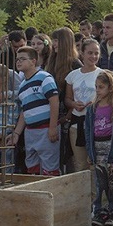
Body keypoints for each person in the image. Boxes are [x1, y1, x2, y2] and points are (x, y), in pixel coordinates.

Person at [6, 47, 60, 176]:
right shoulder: (22, 85)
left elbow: (54, 101)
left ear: (33, 61)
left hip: (46, 129)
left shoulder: (44, 77)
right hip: (30, 131)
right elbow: (25, 111)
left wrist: (52, 127)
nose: (18, 62)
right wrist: (16, 133)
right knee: (32, 167)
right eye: (17, 59)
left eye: (22, 59)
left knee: (49, 169)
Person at [85, 70, 113, 226]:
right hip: (97, 148)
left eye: (101, 87)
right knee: (100, 182)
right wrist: (90, 151)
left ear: (110, 88)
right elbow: (88, 131)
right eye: (96, 87)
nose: (98, 90)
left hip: (112, 148)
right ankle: (100, 211)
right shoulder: (92, 109)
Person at [47, 27, 82, 174]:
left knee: (69, 157)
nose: (54, 44)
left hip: (69, 117)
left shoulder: (75, 65)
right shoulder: (51, 63)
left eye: (56, 40)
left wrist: (68, 115)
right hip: (54, 116)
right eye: (53, 40)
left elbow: (78, 94)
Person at [64, 38, 102, 173]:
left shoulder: (102, 74)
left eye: (96, 53)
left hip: (96, 122)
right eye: (90, 53)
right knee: (80, 164)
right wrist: (74, 104)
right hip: (77, 122)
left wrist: (95, 103)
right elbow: (67, 99)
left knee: (95, 163)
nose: (93, 56)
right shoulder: (72, 75)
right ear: (82, 53)